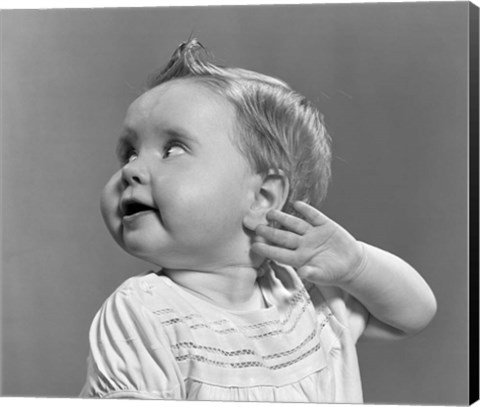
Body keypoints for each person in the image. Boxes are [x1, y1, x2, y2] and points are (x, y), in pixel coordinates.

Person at [80, 39, 437, 402]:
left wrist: (356, 266)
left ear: (261, 198)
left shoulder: (304, 296)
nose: (132, 170)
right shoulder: (143, 313)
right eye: (129, 153)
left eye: (172, 149)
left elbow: (413, 315)